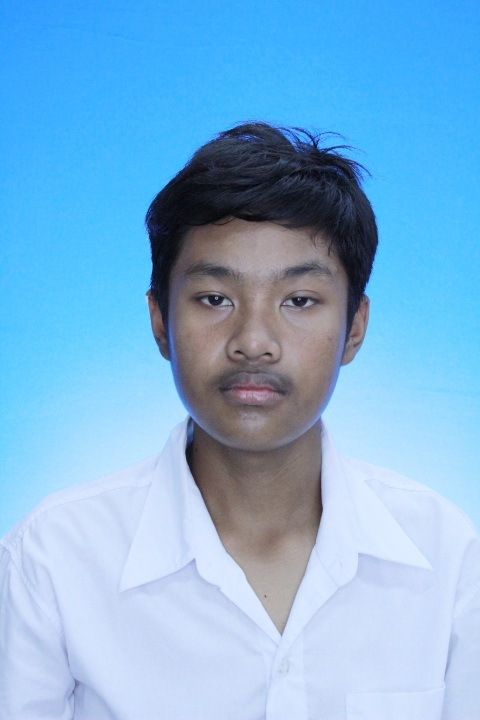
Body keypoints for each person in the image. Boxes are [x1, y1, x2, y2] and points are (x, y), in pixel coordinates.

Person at [0, 122, 478, 720]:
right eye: (215, 299)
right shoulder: (53, 559)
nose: (253, 342)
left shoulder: (445, 557)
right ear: (160, 321)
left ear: (354, 327)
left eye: (299, 300)